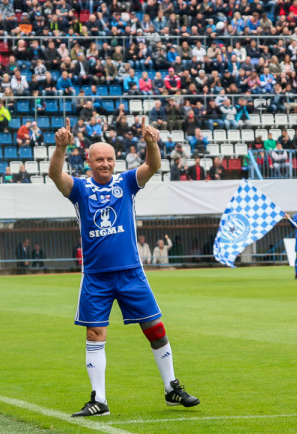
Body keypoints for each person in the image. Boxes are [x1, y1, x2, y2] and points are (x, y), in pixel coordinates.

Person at [48, 118, 199, 417]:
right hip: (96, 277)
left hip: (131, 272)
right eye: (99, 159)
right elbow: (55, 174)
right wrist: (60, 148)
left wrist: (151, 142)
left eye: (109, 159)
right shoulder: (79, 188)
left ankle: (172, 388)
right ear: (88, 161)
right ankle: (99, 400)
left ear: (115, 162)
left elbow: (152, 166)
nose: (105, 164)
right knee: (95, 335)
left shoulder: (126, 182)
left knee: (155, 329)